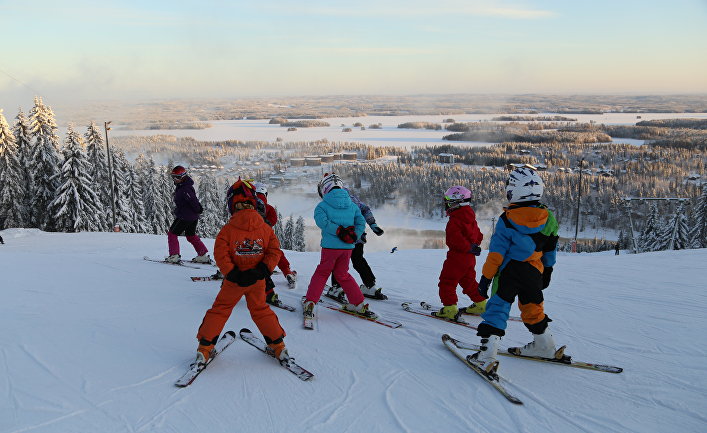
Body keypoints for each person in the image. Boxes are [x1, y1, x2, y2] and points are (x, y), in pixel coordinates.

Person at [468, 167, 560, 374]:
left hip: (508, 272)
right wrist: (547, 271)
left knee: (498, 309)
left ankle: (486, 355)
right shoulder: (549, 218)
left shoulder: (507, 219)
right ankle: (544, 345)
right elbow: (551, 249)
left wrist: (485, 279)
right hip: (534, 271)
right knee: (533, 307)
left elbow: (496, 255)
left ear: (514, 191)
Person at [193, 178, 289, 367]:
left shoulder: (227, 230)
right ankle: (278, 346)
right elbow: (274, 251)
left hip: (234, 281)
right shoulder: (265, 228)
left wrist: (233, 272)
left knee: (220, 310)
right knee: (261, 310)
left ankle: (204, 349)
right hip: (257, 280)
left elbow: (220, 253)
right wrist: (262, 270)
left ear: (231, 204)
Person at [303, 173, 376, 320]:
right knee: (343, 274)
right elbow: (361, 222)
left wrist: (337, 231)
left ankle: (310, 302)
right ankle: (359, 304)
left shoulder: (322, 205)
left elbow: (321, 222)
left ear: (325, 188)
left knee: (322, 272)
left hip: (330, 248)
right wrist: (353, 235)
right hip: (348, 248)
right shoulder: (352, 205)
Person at [325, 183, 386, 301]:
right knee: (358, 261)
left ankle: (337, 288)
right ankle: (370, 285)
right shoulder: (352, 197)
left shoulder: (334, 201)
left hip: (343, 239)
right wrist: (373, 224)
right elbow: (365, 209)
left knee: (339, 262)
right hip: (358, 237)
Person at [434, 186, 485, 320]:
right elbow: (479, 235)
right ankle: (481, 304)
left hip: (457, 257)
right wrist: (473, 247)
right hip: (469, 258)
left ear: (458, 202)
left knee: (447, 281)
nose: (447, 205)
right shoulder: (470, 217)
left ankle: (450, 308)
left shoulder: (455, 220)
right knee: (468, 281)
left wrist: (467, 247)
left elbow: (453, 241)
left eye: (449, 202)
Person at [253, 182, 298, 300]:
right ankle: (287, 271)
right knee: (276, 253)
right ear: (265, 194)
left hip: (252, 237)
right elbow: (273, 220)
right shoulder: (269, 208)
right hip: (267, 236)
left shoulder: (251, 205)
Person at [165, 166, 210, 264]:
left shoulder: (185, 188)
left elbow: (192, 200)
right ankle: (202, 255)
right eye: (173, 177)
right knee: (190, 236)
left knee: (172, 234)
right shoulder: (182, 186)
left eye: (177, 177)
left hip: (186, 216)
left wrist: (198, 209)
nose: (174, 179)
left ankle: (174, 256)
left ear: (183, 176)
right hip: (190, 216)